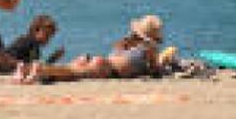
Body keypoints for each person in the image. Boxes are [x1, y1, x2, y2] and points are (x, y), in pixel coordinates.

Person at [19, 15, 165, 84]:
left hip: (100, 61)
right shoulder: (148, 48)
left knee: (66, 72)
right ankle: (38, 69)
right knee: (70, 72)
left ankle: (25, 70)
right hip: (107, 68)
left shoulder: (124, 44)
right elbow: (155, 71)